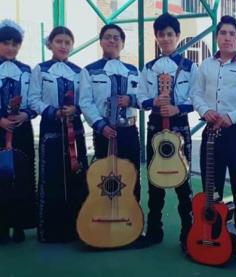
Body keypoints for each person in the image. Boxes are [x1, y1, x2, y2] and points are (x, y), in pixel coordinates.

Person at [190, 15, 236, 262]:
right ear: (217, 37)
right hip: (210, 132)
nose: (227, 37)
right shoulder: (205, 66)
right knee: (212, 188)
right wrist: (203, 110)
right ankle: (210, 234)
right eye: (223, 33)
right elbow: (195, 94)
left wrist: (232, 116)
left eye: (232, 34)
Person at [137, 12, 196, 252]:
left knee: (183, 182)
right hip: (155, 124)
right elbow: (140, 98)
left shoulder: (191, 67)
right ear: (156, 37)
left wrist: (177, 107)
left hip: (179, 124)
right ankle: (154, 230)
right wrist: (153, 103)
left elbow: (197, 99)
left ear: (178, 36)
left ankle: (187, 233)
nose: (165, 38)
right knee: (154, 179)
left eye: (170, 34)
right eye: (161, 34)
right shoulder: (149, 68)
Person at [29, 26, 89, 243]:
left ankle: (78, 229)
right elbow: (33, 99)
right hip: (51, 132)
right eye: (59, 42)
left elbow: (86, 100)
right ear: (50, 44)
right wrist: (53, 111)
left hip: (75, 131)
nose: (63, 46)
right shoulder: (41, 70)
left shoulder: (79, 72)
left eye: (67, 42)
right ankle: (50, 231)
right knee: (50, 178)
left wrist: (76, 110)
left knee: (78, 176)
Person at [79, 24, 141, 201]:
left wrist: (131, 100)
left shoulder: (133, 71)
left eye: (116, 38)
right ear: (101, 42)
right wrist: (100, 125)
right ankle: (106, 222)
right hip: (104, 133)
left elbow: (144, 98)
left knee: (132, 177)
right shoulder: (89, 70)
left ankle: (133, 224)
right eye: (108, 37)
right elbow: (85, 101)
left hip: (129, 131)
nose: (112, 40)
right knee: (105, 180)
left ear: (122, 43)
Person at [0, 19, 37, 243]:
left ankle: (19, 225)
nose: (11, 48)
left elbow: (33, 99)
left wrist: (27, 114)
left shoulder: (26, 70)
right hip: (0, 129)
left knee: (21, 176)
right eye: (6, 43)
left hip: (21, 130)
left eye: (15, 44)